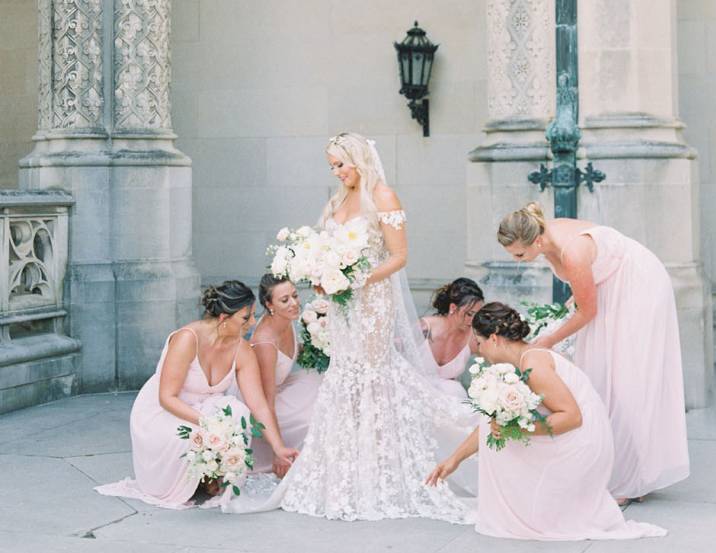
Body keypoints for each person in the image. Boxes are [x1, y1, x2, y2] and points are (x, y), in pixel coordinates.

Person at [224, 133, 474, 521]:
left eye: (341, 164)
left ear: (359, 159)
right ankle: (343, 468)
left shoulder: (384, 196)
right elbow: (329, 253)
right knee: (344, 375)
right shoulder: (337, 201)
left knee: (371, 375)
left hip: (372, 302)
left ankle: (377, 468)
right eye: (332, 166)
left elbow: (400, 256)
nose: (336, 172)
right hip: (343, 306)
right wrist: (322, 273)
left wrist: (358, 280)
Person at [497, 202, 690, 504]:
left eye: (519, 255)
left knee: (627, 375)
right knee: (605, 372)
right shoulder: (543, 232)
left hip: (638, 286)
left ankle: (628, 479)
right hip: (613, 283)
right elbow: (593, 274)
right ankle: (628, 469)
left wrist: (547, 340)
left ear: (535, 241)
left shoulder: (571, 250)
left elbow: (588, 311)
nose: (519, 261)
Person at [427, 302, 667, 541]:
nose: (479, 352)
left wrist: (516, 429)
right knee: (497, 425)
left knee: (504, 435)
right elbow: (491, 422)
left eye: (479, 343)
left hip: (583, 447)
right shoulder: (520, 363)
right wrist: (454, 459)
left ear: (495, 339)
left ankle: (527, 507)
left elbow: (572, 417)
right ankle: (525, 504)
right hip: (580, 440)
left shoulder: (533, 363)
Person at [95, 281, 299, 509]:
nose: (252, 323)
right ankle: (192, 479)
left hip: (205, 408)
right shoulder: (187, 339)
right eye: (245, 318)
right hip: (164, 412)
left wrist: (279, 448)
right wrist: (210, 424)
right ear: (223, 318)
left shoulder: (240, 349)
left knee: (238, 412)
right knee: (200, 433)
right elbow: (167, 397)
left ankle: (209, 477)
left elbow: (259, 405)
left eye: (252, 316)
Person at [229, 273, 323, 476]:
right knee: (313, 415)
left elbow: (298, 352)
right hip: (260, 401)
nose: (294, 303)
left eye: (295, 295)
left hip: (280, 387)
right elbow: (265, 401)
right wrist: (277, 450)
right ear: (269, 304)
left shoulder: (286, 318)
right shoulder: (265, 342)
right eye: (284, 300)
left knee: (324, 383)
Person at [419, 278, 484, 399]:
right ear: (453, 308)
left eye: (477, 315)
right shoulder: (425, 329)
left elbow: (498, 357)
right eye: (469, 314)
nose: (473, 320)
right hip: (415, 395)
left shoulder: (473, 338)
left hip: (450, 401)